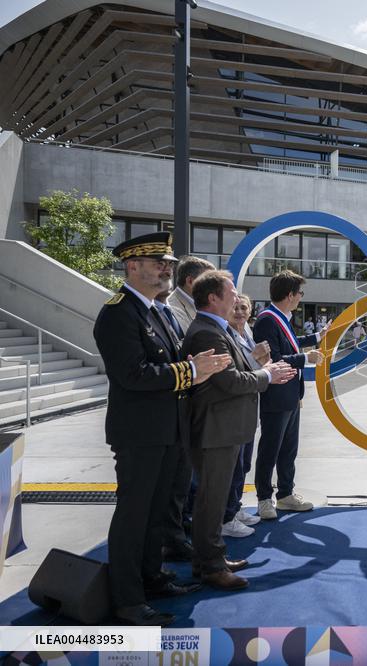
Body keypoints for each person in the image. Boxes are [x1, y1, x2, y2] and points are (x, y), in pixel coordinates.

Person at [93, 232, 231, 626]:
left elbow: (175, 362)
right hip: (140, 434)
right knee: (133, 517)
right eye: (159, 264)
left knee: (158, 514)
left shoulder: (160, 311)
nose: (167, 270)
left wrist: (198, 364)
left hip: (170, 431)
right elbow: (133, 374)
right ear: (132, 267)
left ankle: (152, 578)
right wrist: (191, 370)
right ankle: (128, 600)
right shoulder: (118, 312)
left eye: (169, 264)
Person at [180, 271, 295, 590]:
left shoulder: (218, 329)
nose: (236, 297)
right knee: (210, 500)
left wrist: (259, 367)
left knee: (214, 500)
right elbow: (229, 381)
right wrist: (268, 375)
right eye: (231, 292)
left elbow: (238, 371)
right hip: (216, 430)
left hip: (226, 428)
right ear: (213, 298)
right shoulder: (207, 333)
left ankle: (211, 557)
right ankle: (210, 566)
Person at [253, 270, 328, 519]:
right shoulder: (267, 320)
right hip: (276, 395)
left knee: (288, 449)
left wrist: (317, 337)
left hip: (290, 394)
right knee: (270, 449)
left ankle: (285, 494)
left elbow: (291, 343)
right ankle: (264, 498)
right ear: (289, 295)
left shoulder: (280, 318)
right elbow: (274, 359)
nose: (300, 297)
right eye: (299, 293)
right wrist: (306, 358)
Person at [162, 255, 215, 562]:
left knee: (186, 478)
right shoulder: (173, 309)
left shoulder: (184, 308)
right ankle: (176, 536)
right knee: (181, 481)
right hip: (181, 404)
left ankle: (181, 532)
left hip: (192, 405)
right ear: (193, 283)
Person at [222, 294, 271, 538]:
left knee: (243, 464)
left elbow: (255, 367)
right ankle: (227, 516)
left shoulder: (247, 333)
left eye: (244, 307)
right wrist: (257, 358)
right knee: (233, 465)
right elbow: (237, 371)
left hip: (249, 407)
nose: (240, 312)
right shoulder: (226, 335)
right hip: (235, 410)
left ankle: (235, 507)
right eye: (235, 307)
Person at [166, 255, 214, 333]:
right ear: (190, 281)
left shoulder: (201, 305)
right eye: (208, 281)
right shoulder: (172, 308)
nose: (214, 287)